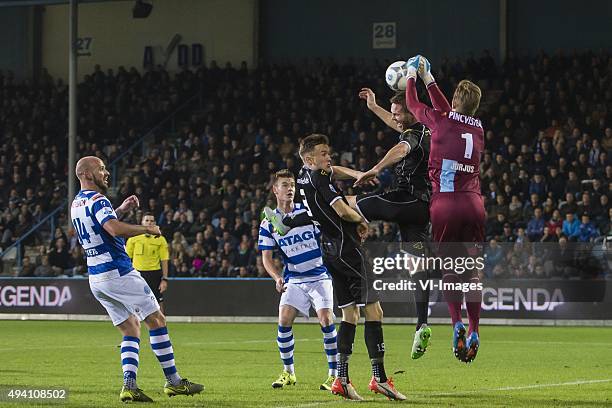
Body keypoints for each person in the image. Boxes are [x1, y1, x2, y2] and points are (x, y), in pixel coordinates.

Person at [278, 135, 405, 400]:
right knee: (374, 310)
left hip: (329, 252)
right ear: (311, 158)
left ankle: (342, 379)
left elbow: (332, 170)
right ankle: (379, 378)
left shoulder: (304, 174)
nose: (329, 157)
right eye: (324, 153)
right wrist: (362, 220)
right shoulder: (320, 179)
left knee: (350, 315)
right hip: (348, 250)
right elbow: (342, 211)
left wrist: (357, 173)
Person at [70, 156, 203, 402]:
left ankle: (129, 385)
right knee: (157, 320)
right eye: (101, 169)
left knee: (131, 328)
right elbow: (113, 229)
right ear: (87, 174)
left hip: (97, 277)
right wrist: (147, 229)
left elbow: (101, 226)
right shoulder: (99, 199)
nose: (106, 172)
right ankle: (174, 382)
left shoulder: (77, 202)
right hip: (118, 271)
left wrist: (120, 210)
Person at [405, 55, 485, 363]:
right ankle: (476, 327)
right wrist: (431, 78)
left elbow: (413, 105)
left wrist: (413, 75)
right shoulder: (478, 127)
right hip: (474, 203)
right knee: (473, 270)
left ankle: (456, 324)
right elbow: (451, 112)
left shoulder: (441, 120)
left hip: (446, 204)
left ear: (455, 100)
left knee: (451, 270)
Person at [352, 87, 433, 360]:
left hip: (408, 199)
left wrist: (375, 168)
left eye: (399, 113)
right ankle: (422, 324)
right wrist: (374, 107)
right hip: (421, 210)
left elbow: (401, 148)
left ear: (412, 112)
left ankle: (311, 217)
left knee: (358, 204)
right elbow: (394, 124)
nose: (395, 118)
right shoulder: (422, 127)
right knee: (416, 265)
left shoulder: (415, 134)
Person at [258, 169, 337, 391]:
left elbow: (327, 232)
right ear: (275, 190)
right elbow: (266, 258)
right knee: (284, 321)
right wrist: (276, 277)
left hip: (319, 275)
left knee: (326, 320)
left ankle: (333, 375)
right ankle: (289, 373)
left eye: (292, 184)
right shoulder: (267, 223)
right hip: (294, 278)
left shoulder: (307, 211)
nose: (290, 188)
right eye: (285, 185)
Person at [126, 213, 171, 314]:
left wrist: (164, 279)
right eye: (146, 220)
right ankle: (135, 327)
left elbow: (164, 260)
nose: (149, 223)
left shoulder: (160, 239)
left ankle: (162, 326)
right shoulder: (133, 238)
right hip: (137, 274)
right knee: (133, 302)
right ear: (142, 222)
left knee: (158, 302)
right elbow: (127, 258)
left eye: (151, 221)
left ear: (155, 223)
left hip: (154, 274)